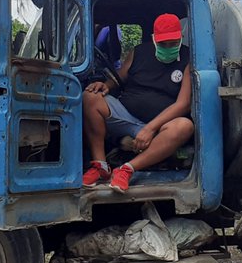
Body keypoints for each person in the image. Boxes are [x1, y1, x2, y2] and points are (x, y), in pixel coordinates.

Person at [81, 13, 194, 192]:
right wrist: (106, 85)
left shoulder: (189, 59)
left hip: (161, 127)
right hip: (126, 116)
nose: (168, 47)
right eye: (163, 43)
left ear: (180, 38)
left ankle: (127, 169)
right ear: (154, 39)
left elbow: (183, 104)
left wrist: (149, 129)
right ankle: (100, 165)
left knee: (184, 126)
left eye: (173, 43)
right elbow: (119, 79)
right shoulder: (139, 52)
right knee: (90, 97)